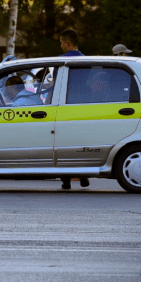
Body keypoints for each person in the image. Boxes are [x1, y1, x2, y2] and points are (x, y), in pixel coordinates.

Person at [58, 28, 90, 189]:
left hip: (65, 108)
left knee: (64, 144)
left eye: (62, 44)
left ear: (68, 43)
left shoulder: (60, 61)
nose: (61, 47)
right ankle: (84, 176)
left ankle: (66, 180)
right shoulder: (87, 60)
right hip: (84, 107)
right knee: (82, 144)